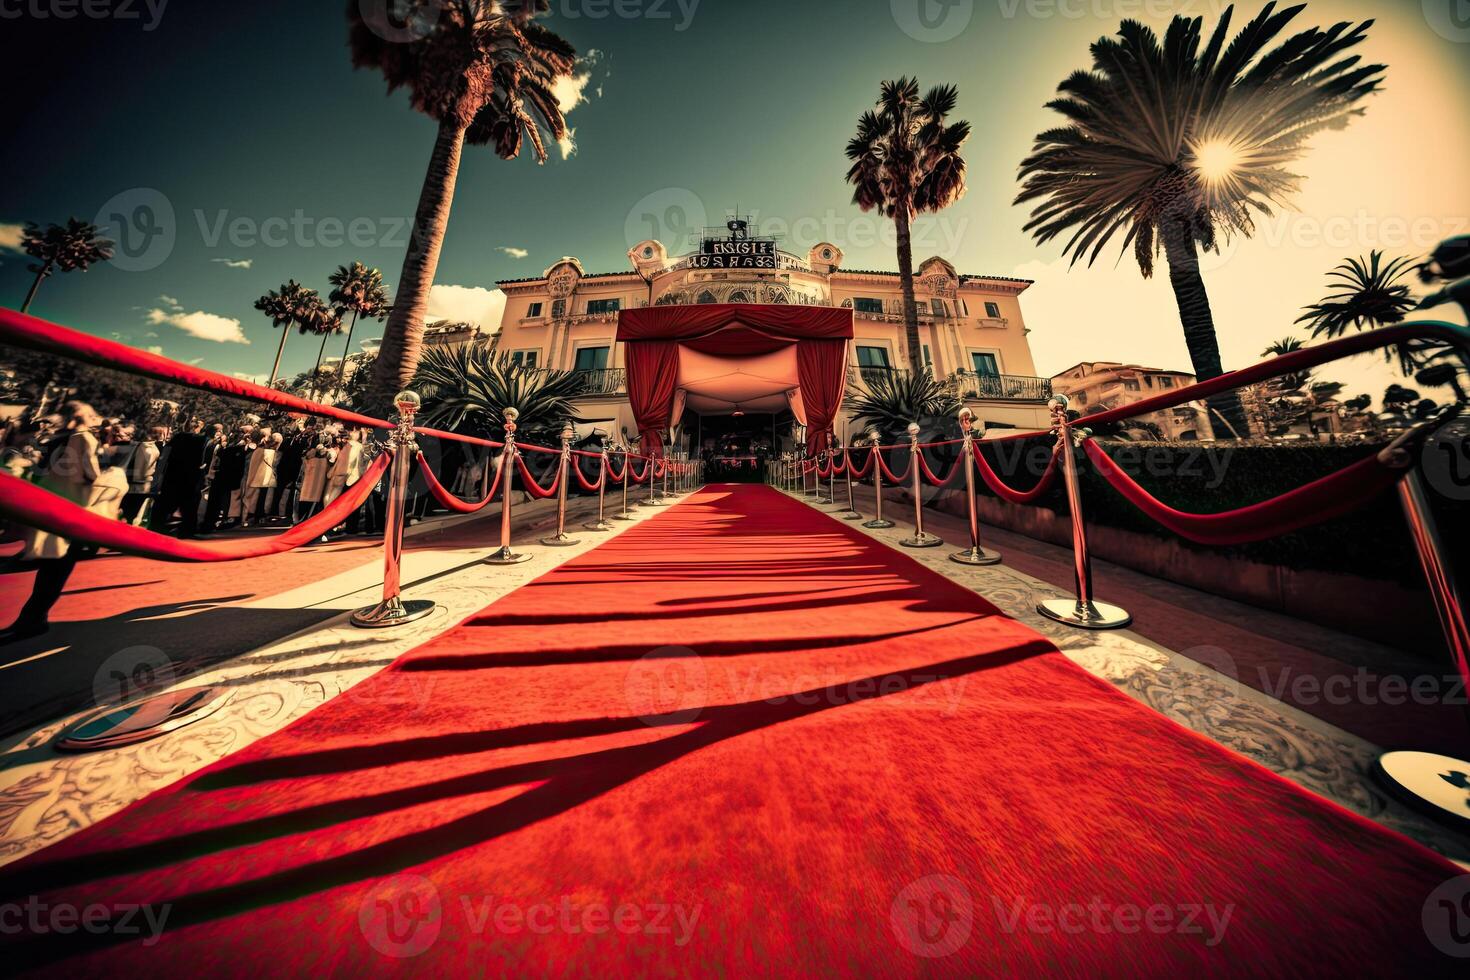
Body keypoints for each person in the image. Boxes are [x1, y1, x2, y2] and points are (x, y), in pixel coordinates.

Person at [2, 402, 125, 643]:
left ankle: (31, 619)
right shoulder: (84, 439)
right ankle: (33, 619)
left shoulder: (60, 438)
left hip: (55, 506)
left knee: (51, 567)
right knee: (57, 568)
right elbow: (91, 475)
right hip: (74, 508)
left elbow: (43, 469)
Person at [149, 419, 209, 537]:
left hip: (172, 478)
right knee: (188, 507)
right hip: (189, 479)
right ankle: (187, 530)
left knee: (165, 505)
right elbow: (200, 462)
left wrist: (157, 481)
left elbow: (163, 462)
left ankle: (156, 528)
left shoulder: (175, 441)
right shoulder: (198, 442)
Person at [117, 425, 163, 525]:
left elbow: (140, 469)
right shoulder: (150, 448)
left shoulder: (145, 448)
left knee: (128, 511)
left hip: (137, 484)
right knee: (132, 512)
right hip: (141, 484)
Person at [241, 431, 281, 528]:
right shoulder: (261, 451)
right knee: (253, 498)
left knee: (255, 497)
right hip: (256, 478)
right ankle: (248, 518)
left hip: (256, 478)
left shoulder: (260, 450)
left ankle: (251, 517)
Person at [296, 432, 337, 522]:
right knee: (313, 506)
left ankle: (301, 521)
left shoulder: (309, 454)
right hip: (319, 484)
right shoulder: (329, 454)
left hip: (308, 484)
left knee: (304, 504)